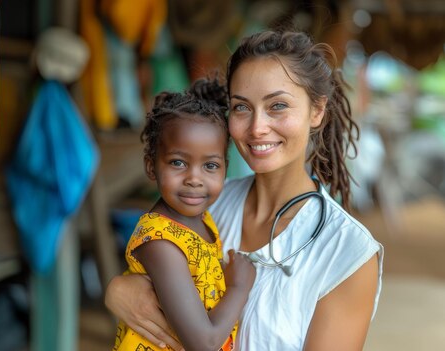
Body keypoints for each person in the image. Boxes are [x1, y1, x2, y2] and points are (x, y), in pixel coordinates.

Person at [105, 30, 384, 351]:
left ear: (317, 111)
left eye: (277, 105)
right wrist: (119, 288)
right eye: (241, 107)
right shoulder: (202, 204)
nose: (256, 128)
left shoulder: (346, 253)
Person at [113, 79, 256, 351]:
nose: (194, 179)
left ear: (225, 168)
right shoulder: (160, 243)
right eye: (178, 162)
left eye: (210, 165)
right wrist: (239, 287)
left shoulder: (201, 219)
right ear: (151, 166)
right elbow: (203, 343)